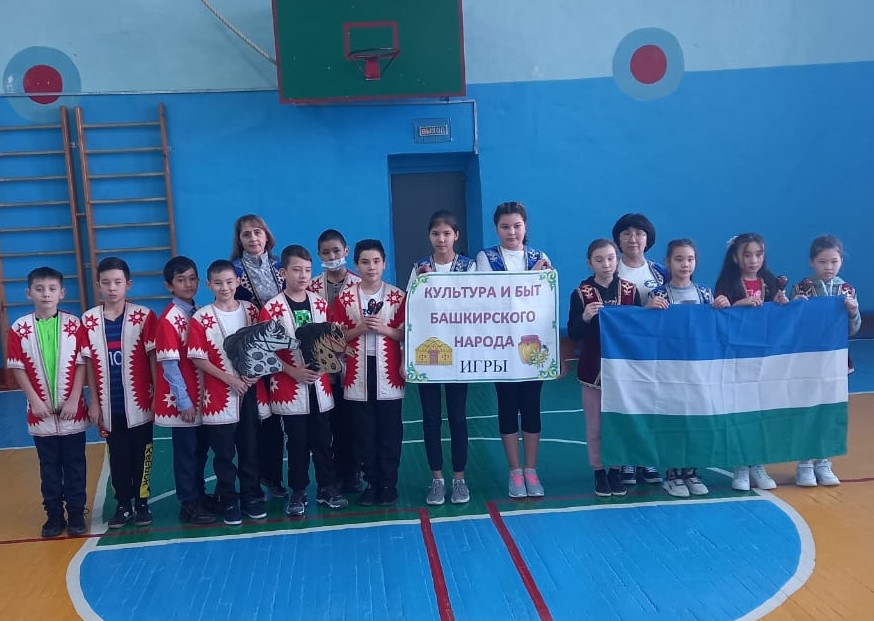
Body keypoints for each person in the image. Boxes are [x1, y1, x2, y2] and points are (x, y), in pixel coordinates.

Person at [261, 244, 348, 516]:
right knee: (297, 443)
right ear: (283, 272)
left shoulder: (320, 304)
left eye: (307, 270)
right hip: (289, 386)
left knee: (323, 440)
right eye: (296, 270)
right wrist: (291, 371)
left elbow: (333, 339)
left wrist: (327, 364)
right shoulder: (272, 308)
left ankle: (326, 488)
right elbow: (264, 351)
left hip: (320, 387)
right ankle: (298, 491)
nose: (302, 275)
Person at [476, 201, 552, 498]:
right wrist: (531, 277)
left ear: (525, 226)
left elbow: (546, 299)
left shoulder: (540, 257)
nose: (511, 232)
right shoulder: (486, 258)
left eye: (517, 226)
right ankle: (514, 471)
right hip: (501, 346)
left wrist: (541, 277)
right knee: (507, 406)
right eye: (505, 226)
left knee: (531, 407)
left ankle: (531, 470)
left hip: (533, 345)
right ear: (496, 229)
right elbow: (489, 297)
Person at [6, 267, 88, 537]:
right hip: (40, 414)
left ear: (62, 293)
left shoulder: (74, 324)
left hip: (71, 412)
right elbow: (17, 367)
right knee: (49, 468)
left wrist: (74, 398)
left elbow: (81, 363)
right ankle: (53, 515)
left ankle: (76, 513)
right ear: (28, 293)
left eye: (52, 289)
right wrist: (34, 399)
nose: (46, 294)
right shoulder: (20, 328)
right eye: (39, 289)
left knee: (75, 466)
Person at [189, 260, 270, 525]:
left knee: (250, 446)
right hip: (219, 394)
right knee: (224, 453)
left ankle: (251, 496)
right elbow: (198, 357)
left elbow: (264, 345)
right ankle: (229, 499)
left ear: (237, 282)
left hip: (250, 391)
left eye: (229, 282)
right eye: (218, 283)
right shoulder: (201, 317)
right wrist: (230, 379)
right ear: (208, 285)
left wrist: (256, 373)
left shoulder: (251, 311)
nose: (224, 287)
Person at [647, 240, 730, 497]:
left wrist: (723, 308)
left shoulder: (705, 294)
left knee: (695, 421)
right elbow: (646, 330)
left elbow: (716, 328)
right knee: (675, 421)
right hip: (670, 370)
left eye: (690, 259)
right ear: (668, 262)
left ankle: (691, 471)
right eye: (679, 259)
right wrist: (647, 310)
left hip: (698, 370)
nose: (685, 264)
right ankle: (673, 474)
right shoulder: (659, 295)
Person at [81, 257, 157, 528]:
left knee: (143, 454)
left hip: (140, 403)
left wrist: (157, 395)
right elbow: (89, 363)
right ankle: (123, 503)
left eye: (117, 282)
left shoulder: (143, 316)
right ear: (98, 285)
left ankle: (143, 502)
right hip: (108, 405)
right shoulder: (89, 320)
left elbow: (153, 359)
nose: (112, 288)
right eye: (106, 282)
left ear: (128, 284)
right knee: (118, 456)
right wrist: (93, 402)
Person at [331, 240, 406, 506]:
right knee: (364, 431)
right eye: (365, 262)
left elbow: (407, 334)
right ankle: (372, 482)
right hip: (357, 373)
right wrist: (359, 329)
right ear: (356, 265)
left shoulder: (397, 296)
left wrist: (384, 329)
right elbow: (337, 339)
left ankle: (388, 483)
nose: (371, 267)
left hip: (389, 372)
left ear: (384, 264)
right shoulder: (345, 298)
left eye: (376, 261)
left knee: (389, 431)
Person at [409, 210, 476, 506]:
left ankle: (459, 479)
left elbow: (481, 304)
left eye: (447, 233)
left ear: (456, 236)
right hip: (429, 352)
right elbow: (411, 310)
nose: (441, 239)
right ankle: (436, 479)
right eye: (436, 233)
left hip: (459, 353)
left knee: (458, 417)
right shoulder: (420, 268)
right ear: (429, 236)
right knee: (431, 419)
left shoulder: (469, 267)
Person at [714, 233, 789, 491]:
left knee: (761, 412)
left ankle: (757, 463)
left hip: (764, 360)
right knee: (740, 410)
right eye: (747, 255)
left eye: (759, 254)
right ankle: (740, 465)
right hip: (737, 359)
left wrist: (782, 304)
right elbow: (719, 319)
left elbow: (780, 320)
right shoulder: (727, 283)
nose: (754, 260)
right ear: (736, 257)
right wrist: (736, 305)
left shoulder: (770, 281)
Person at [568, 240, 641, 497]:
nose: (606, 264)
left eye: (610, 258)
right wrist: (585, 317)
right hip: (593, 369)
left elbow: (639, 329)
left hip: (623, 370)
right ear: (589, 263)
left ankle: (615, 470)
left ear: (617, 259)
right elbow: (574, 332)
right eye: (599, 260)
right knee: (595, 425)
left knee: (619, 423)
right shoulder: (581, 294)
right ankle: (599, 471)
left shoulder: (631, 291)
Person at [790, 234, 861, 487]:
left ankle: (823, 460)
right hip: (808, 360)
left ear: (841, 261)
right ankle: (804, 462)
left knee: (830, 410)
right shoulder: (802, 288)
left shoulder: (847, 290)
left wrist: (853, 312)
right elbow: (791, 326)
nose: (828, 267)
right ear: (812, 262)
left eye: (834, 261)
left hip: (835, 361)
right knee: (808, 409)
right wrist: (794, 308)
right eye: (822, 262)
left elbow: (853, 330)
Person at [153, 256, 217, 524]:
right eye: (181, 280)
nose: (188, 284)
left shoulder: (198, 312)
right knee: (186, 454)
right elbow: (169, 365)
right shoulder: (170, 319)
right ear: (169, 285)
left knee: (200, 450)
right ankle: (189, 504)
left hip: (201, 397)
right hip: (185, 401)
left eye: (192, 278)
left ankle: (199, 495)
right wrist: (184, 400)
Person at [230, 214, 287, 500]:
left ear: (267, 235)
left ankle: (273, 477)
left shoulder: (282, 267)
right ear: (239, 240)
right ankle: (250, 484)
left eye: (257, 232)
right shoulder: (231, 272)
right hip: (249, 357)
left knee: (276, 420)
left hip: (282, 354)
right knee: (251, 423)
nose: (253, 238)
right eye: (246, 234)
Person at [611, 213, 667, 486]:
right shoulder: (611, 270)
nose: (633, 239)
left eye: (639, 233)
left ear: (648, 238)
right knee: (625, 404)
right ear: (618, 240)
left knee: (651, 403)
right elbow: (611, 313)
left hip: (654, 351)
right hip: (622, 351)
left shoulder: (660, 272)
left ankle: (647, 458)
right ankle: (626, 459)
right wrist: (643, 310)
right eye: (626, 233)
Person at [307, 229, 363, 493]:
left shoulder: (360, 285)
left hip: (352, 364)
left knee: (352, 423)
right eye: (326, 252)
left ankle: (353, 472)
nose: (332, 256)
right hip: (322, 368)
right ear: (319, 255)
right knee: (327, 424)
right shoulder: (311, 287)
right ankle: (333, 476)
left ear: (346, 251)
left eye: (336, 251)